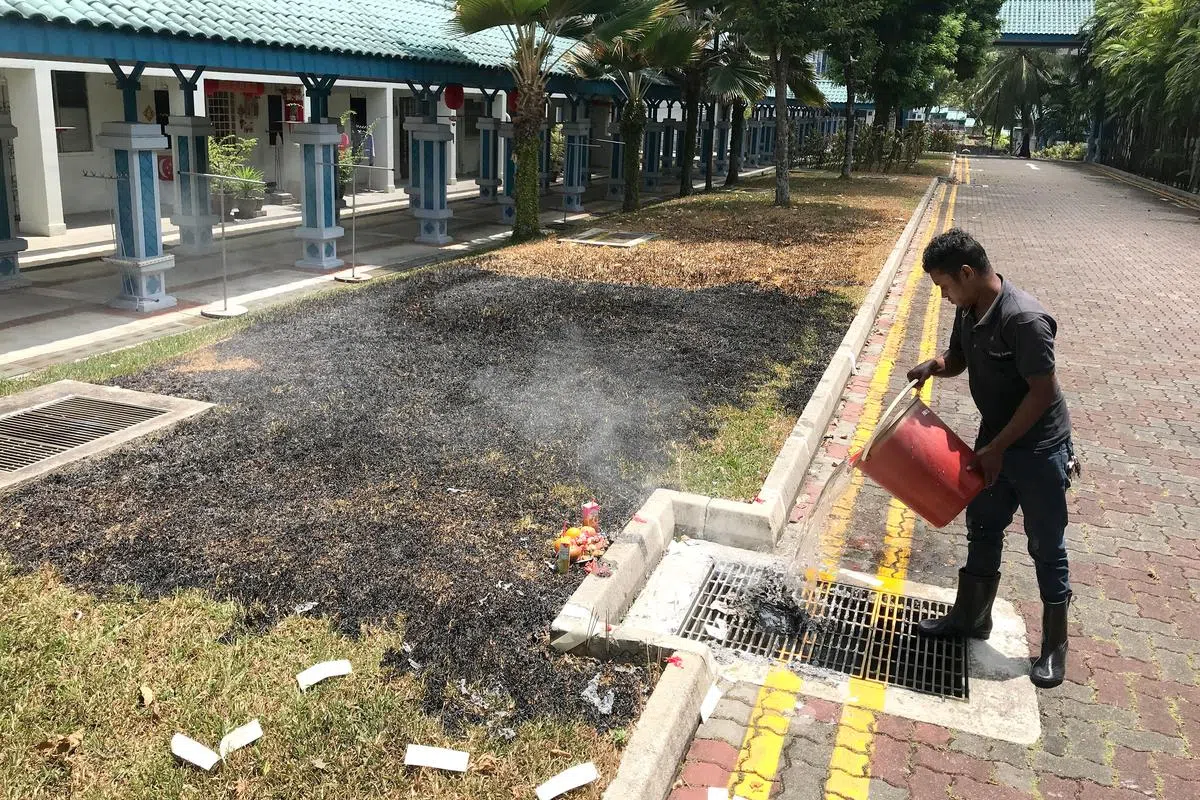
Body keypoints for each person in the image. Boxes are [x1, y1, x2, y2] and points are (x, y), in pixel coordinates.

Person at [906, 228, 1076, 689]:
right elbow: (959, 358)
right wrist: (935, 365)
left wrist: (997, 448)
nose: (943, 297)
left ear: (967, 272)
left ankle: (1054, 646)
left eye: (944, 286)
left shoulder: (1024, 320)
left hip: (1039, 449)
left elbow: (1043, 393)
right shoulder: (969, 307)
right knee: (982, 523)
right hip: (996, 440)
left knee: (1046, 545)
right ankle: (972, 617)